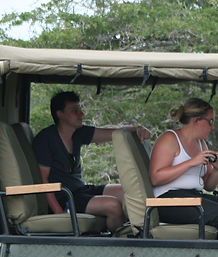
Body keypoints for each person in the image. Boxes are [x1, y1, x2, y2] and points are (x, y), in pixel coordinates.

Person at [33, 91, 151, 233]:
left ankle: (139, 230)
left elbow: (114, 133)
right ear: (60, 114)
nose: (81, 114)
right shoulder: (46, 139)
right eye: (74, 111)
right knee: (113, 205)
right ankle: (121, 240)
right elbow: (43, 181)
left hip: (80, 190)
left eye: (80, 109)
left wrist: (137, 129)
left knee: (126, 191)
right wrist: (60, 214)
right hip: (64, 197)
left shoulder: (79, 133)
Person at [149, 98, 218, 240]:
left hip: (193, 197)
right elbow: (155, 177)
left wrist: (217, 169)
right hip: (168, 200)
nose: (212, 127)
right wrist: (191, 162)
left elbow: (209, 186)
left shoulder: (201, 143)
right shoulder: (169, 138)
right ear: (196, 120)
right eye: (210, 121)